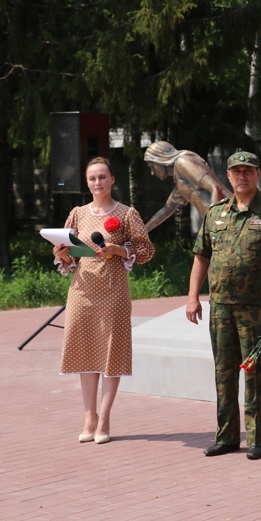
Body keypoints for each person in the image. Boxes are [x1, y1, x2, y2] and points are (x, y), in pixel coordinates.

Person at [186, 151, 261, 461]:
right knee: (223, 373)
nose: (242, 176)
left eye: (248, 171)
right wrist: (193, 296)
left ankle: (258, 438)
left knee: (258, 374)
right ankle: (226, 437)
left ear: (257, 174)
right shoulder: (215, 214)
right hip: (221, 307)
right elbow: (202, 255)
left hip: (259, 308)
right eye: (236, 171)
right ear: (228, 175)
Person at [52, 157, 155, 445]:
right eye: (92, 178)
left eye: (102, 177)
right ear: (87, 183)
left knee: (112, 352)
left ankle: (105, 416)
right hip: (81, 290)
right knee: (84, 351)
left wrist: (118, 250)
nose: (97, 182)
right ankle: (89, 416)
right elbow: (69, 255)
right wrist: (61, 254)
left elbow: (146, 250)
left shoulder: (126, 213)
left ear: (112, 179)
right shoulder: (77, 213)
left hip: (113, 291)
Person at [142, 141, 232, 232]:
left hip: (229, 219)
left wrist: (216, 225)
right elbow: (167, 209)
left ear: (160, 159)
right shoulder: (181, 181)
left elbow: (215, 187)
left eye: (152, 166)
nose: (152, 172)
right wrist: (143, 231)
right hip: (222, 224)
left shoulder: (183, 162)